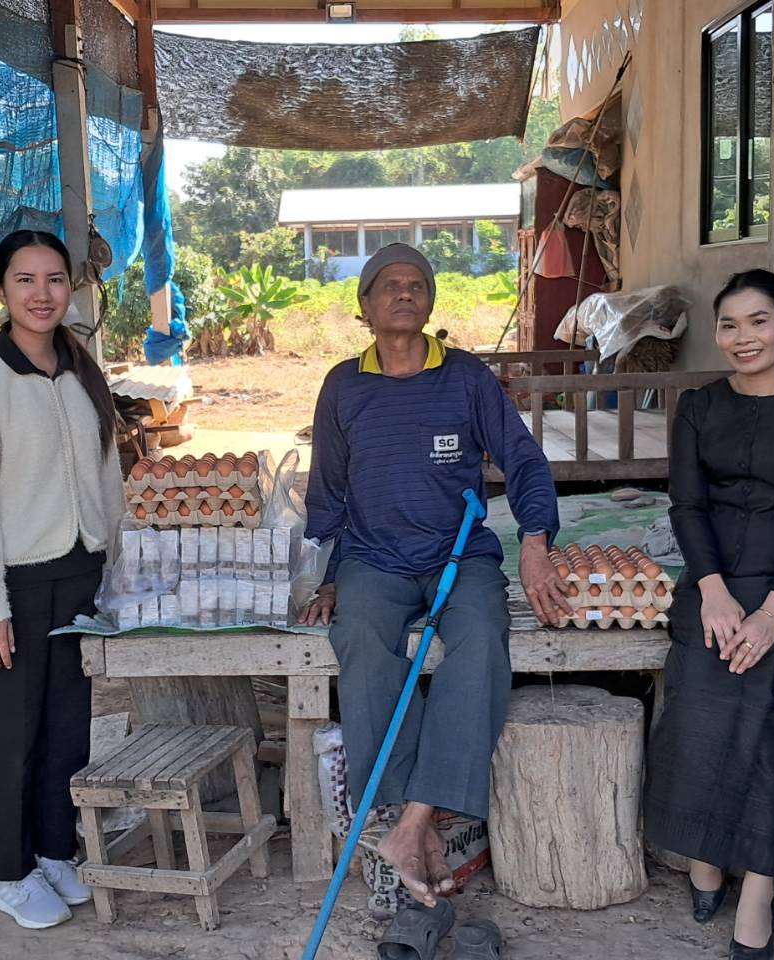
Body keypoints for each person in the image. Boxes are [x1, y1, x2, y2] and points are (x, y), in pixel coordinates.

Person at [297, 243, 565, 908]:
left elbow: (523, 460)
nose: (404, 292)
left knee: (481, 639)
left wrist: (535, 540)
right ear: (365, 306)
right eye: (389, 284)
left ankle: (412, 823)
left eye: (417, 284)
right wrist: (328, 577)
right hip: (374, 558)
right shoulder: (343, 385)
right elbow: (327, 489)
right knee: (360, 639)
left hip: (460, 554)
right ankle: (418, 820)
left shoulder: (467, 377)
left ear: (431, 301)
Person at [644, 270, 774, 959]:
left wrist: (771, 614)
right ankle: (705, 857)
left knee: (765, 731)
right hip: (711, 584)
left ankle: (758, 890)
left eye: (759, 321)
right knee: (696, 719)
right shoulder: (699, 406)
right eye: (729, 325)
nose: (743, 337)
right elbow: (687, 505)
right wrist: (712, 591)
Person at [0, 230, 123, 929]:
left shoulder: (81, 367)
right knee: (13, 736)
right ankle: (12, 873)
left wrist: (117, 567)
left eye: (54, 279)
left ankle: (54, 849)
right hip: (15, 585)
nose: (42, 294)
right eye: (25, 280)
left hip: (79, 575)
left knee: (67, 728)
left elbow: (108, 475)